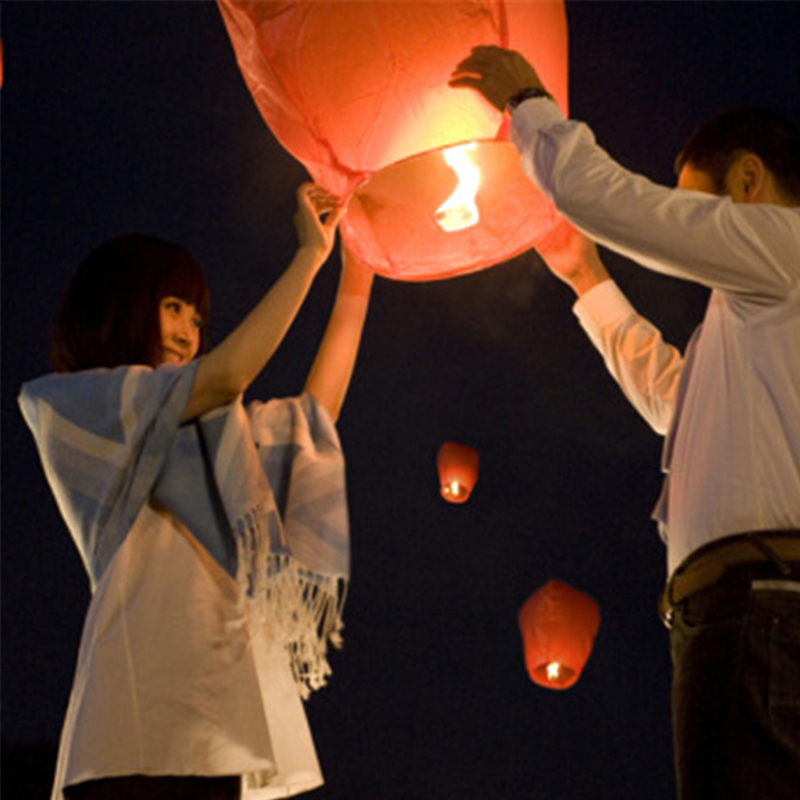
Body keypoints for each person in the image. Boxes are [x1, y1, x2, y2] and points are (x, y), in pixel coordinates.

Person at [451, 45, 800, 800]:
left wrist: (529, 107)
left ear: (747, 180)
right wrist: (585, 275)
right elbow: (678, 401)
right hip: (743, 616)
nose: (688, 223)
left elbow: (623, 204)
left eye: (696, 204)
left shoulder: (785, 249)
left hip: (764, 612)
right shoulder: (760, 311)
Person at [19, 183, 374, 800]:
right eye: (173, 307)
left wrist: (359, 273)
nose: (188, 329)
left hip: (217, 726)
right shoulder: (71, 404)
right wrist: (308, 258)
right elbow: (226, 375)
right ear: (122, 304)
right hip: (133, 725)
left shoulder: (213, 438)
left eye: (197, 318)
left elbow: (316, 414)